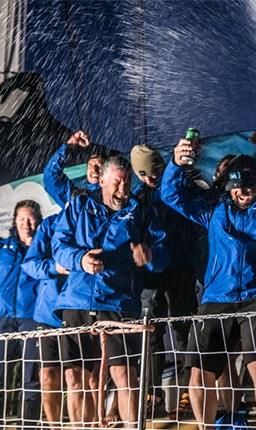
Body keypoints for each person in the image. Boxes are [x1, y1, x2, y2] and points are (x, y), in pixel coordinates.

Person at [162, 149, 256, 429]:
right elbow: (171, 195)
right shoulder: (215, 210)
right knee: (198, 373)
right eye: (237, 187)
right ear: (229, 187)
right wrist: (175, 162)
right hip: (217, 297)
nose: (243, 192)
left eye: (249, 186)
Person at [52, 155, 167, 428]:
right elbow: (59, 245)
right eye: (116, 182)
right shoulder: (80, 204)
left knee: (125, 375)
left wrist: (150, 253)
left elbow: (162, 254)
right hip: (77, 301)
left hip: (119, 304)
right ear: (101, 180)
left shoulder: (141, 210)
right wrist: (80, 260)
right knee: (75, 378)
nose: (122, 189)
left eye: (127, 183)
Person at [130, 144, 200, 419]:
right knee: (151, 335)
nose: (152, 178)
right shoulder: (138, 199)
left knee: (184, 332)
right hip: (151, 275)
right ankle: (152, 395)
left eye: (155, 170)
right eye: (145, 174)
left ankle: (186, 394)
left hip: (180, 268)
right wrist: (136, 246)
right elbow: (131, 230)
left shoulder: (177, 183)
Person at [0, 200, 43, 429]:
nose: (26, 223)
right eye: (22, 218)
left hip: (31, 317)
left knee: (32, 376)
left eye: (31, 218)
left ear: (38, 219)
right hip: (0, 318)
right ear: (15, 221)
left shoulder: (43, 248)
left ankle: (28, 425)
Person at [20, 212, 72, 428]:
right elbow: (30, 264)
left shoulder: (94, 214)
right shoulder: (51, 224)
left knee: (80, 379)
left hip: (79, 312)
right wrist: (55, 267)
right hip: (48, 315)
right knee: (48, 377)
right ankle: (54, 426)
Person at [43, 130, 106, 208]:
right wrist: (71, 143)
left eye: (99, 166)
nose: (94, 169)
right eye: (90, 165)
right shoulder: (75, 197)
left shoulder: (115, 198)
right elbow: (50, 175)